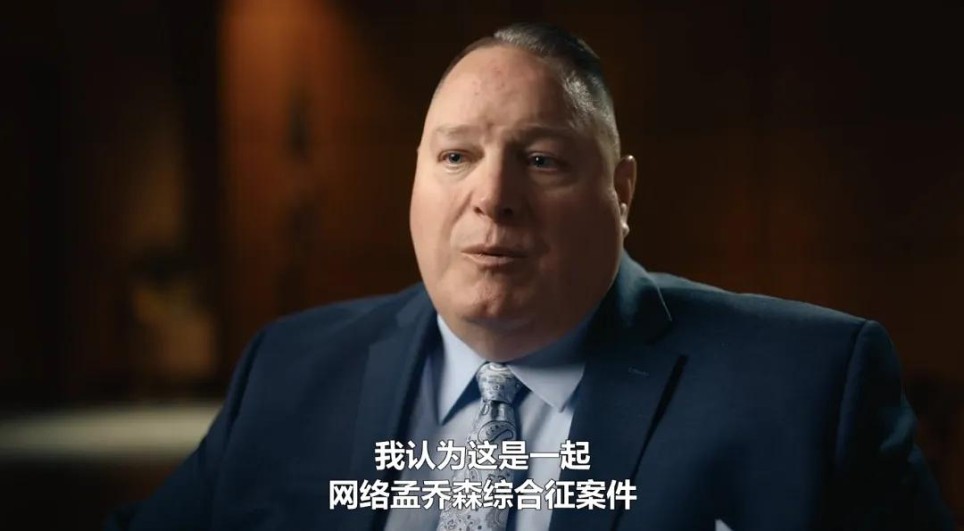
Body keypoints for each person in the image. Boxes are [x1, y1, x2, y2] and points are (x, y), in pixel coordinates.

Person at [106, 22, 953, 531]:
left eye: (541, 158)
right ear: (415, 179)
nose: (492, 196)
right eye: (456, 156)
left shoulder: (808, 388)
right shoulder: (290, 368)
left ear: (621, 191)